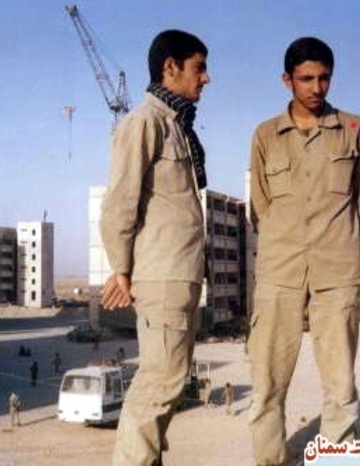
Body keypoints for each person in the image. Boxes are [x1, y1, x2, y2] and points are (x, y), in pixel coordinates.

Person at [248, 36, 360, 465]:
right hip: (279, 270)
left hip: (337, 269)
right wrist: (284, 240)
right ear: (287, 80)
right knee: (267, 383)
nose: (317, 88)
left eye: (324, 78)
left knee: (340, 383)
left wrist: (342, 243)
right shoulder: (266, 135)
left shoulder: (356, 130)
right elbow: (259, 207)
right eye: (306, 79)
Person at [99, 29, 210, 466]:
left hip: (181, 273)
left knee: (169, 382)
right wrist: (121, 269)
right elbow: (119, 202)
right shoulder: (145, 122)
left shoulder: (176, 126)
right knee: (159, 385)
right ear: (170, 68)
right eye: (199, 68)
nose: (206, 78)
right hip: (163, 275)